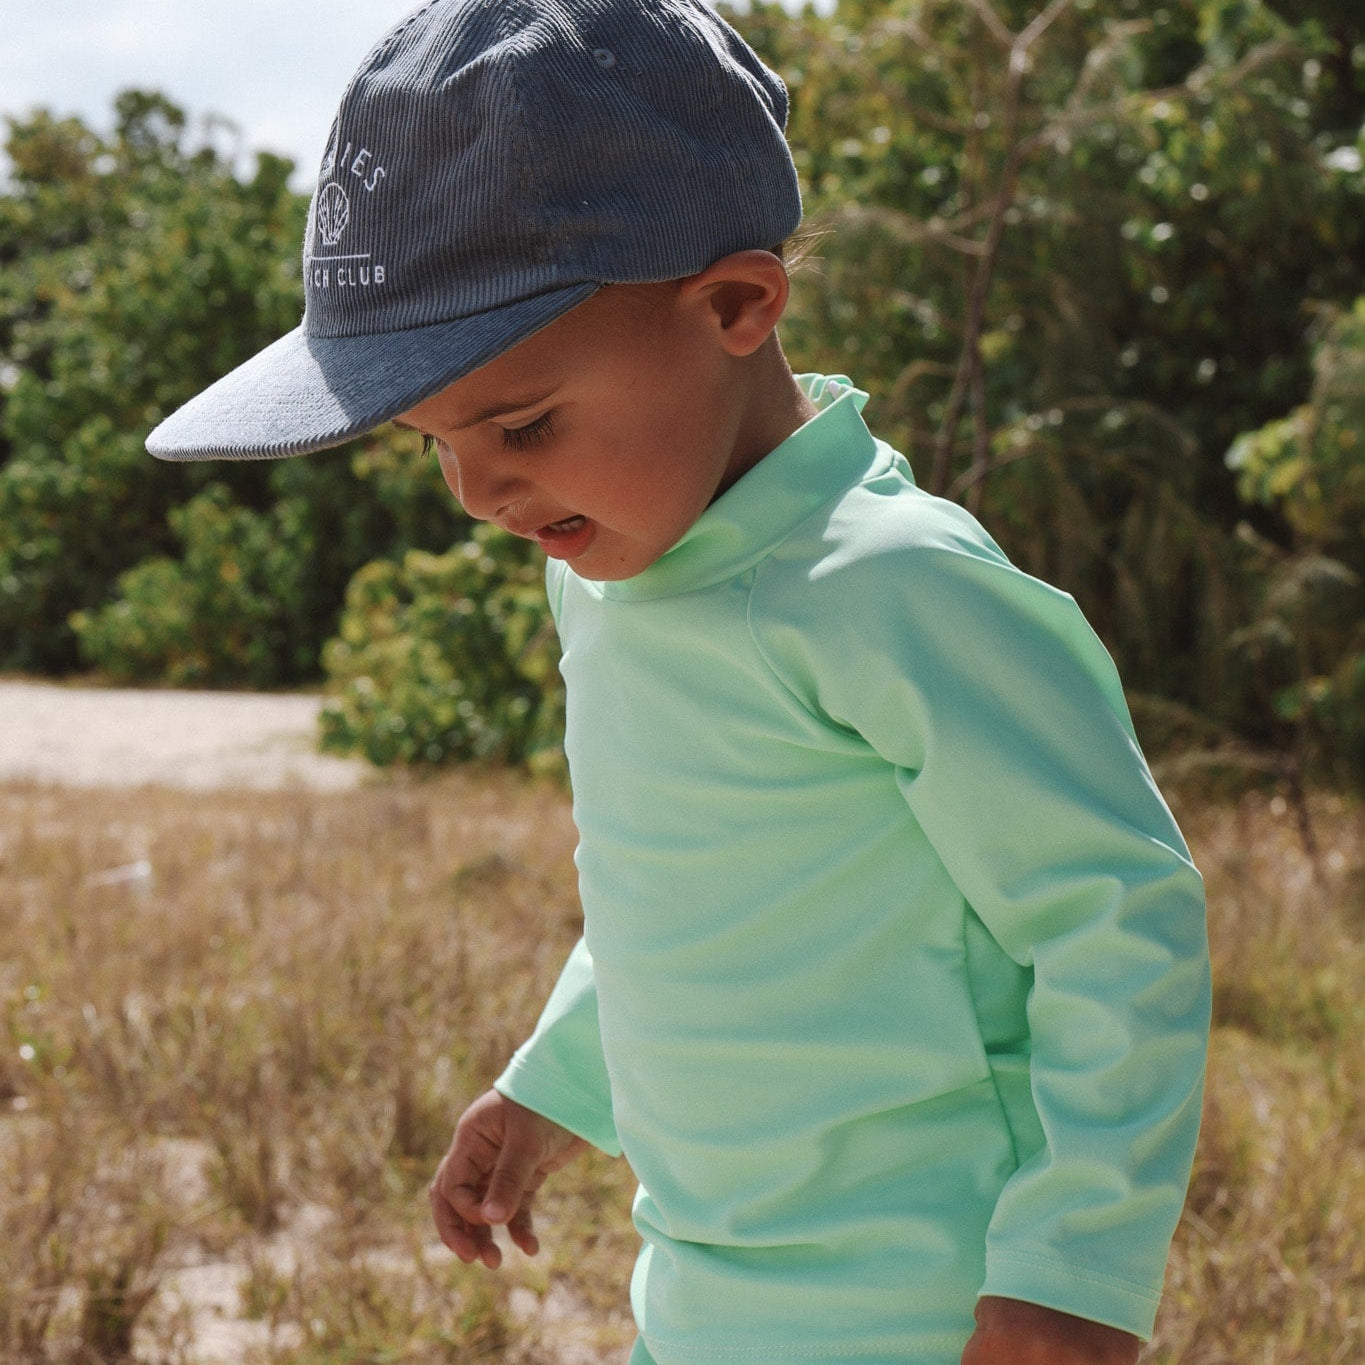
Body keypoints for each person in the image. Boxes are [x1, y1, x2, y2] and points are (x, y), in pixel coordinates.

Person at [147, 2, 1212, 1363]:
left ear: (734, 303)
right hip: (703, 1304)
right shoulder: (604, 577)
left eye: (522, 423)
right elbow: (684, 894)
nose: (480, 491)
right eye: (436, 443)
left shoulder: (893, 585)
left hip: (931, 1310)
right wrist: (551, 1086)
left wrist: (1071, 1272)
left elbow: (1115, 918)